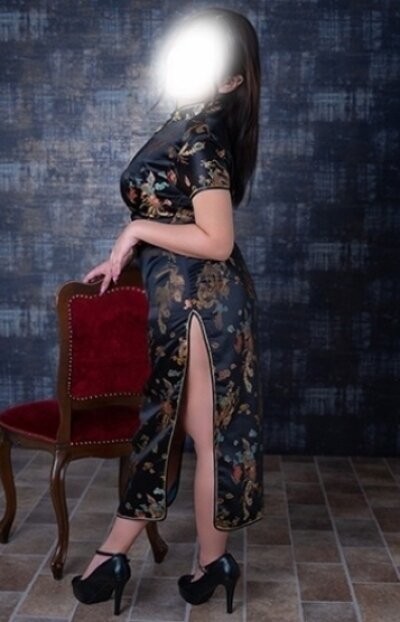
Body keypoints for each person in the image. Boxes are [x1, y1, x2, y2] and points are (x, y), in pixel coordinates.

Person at [71, 7, 264, 616]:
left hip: (203, 302)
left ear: (232, 80)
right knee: (200, 435)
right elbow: (173, 213)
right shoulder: (183, 122)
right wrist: (127, 250)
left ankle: (114, 553)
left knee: (192, 433)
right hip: (181, 299)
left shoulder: (202, 135)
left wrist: (134, 230)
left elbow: (217, 240)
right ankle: (212, 563)